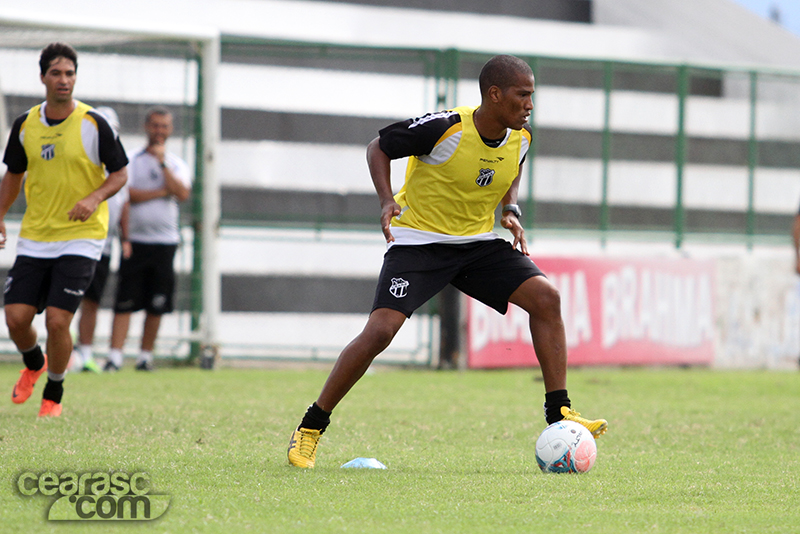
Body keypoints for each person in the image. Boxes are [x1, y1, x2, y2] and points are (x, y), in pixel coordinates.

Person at [287, 55, 608, 468]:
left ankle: (559, 412)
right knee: (381, 331)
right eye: (522, 94)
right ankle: (311, 427)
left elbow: (510, 172)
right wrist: (387, 200)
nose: (530, 104)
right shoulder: (446, 128)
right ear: (495, 95)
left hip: (475, 243)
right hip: (419, 243)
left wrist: (511, 210)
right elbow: (378, 148)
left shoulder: (521, 137)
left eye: (532, 95)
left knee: (546, 297)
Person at [0, 42, 128, 417]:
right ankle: (35, 363)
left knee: (58, 320)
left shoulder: (93, 123)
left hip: (82, 236)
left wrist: (94, 198)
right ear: (43, 77)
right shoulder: (25, 124)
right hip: (37, 235)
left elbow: (119, 173)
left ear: (75, 78)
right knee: (16, 318)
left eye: (69, 73)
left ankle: (53, 391)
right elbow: (13, 175)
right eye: (56, 73)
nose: (63, 80)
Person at [104, 106, 191, 372]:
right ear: (146, 127)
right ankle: (115, 357)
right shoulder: (130, 159)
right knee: (125, 301)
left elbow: (182, 193)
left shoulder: (176, 163)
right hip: (135, 241)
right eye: (155, 126)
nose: (159, 131)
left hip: (165, 243)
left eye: (164, 126)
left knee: (157, 303)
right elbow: (127, 195)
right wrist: (162, 192)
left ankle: (145, 357)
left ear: (170, 130)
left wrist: (162, 164)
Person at [69, 107, 132, 373]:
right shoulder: (80, 160)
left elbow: (124, 204)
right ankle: (60, 351)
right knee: (65, 299)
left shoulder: (119, 165)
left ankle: (84, 353)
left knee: (92, 300)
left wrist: (125, 238)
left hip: (103, 245)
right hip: (74, 241)